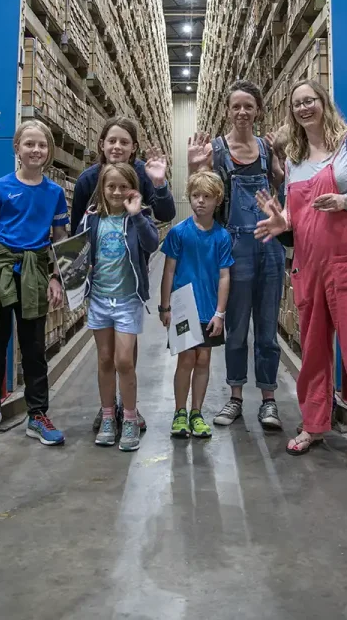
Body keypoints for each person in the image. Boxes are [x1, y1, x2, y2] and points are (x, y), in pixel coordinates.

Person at [255, 79, 347, 471]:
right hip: (308, 263)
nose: (304, 109)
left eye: (310, 101)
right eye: (297, 104)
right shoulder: (296, 158)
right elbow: (295, 216)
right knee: (313, 350)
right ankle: (315, 424)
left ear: (323, 103)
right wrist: (279, 221)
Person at [187, 80, 286, 430]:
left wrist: (280, 169)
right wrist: (194, 168)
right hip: (234, 249)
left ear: (258, 110)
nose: (242, 112)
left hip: (269, 247)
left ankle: (269, 400)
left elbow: (285, 195)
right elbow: (201, 199)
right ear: (228, 111)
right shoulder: (216, 150)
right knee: (236, 327)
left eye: (248, 106)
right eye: (236, 106)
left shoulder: (267, 147)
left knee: (267, 329)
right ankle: (235, 398)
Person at [70, 116, 175, 434]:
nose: (116, 146)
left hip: (130, 280)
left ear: (133, 148)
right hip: (102, 284)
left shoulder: (142, 174)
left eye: (124, 142)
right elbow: (77, 237)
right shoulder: (89, 180)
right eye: (111, 140)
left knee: (126, 355)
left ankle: (130, 408)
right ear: (101, 144)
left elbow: (165, 215)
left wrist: (159, 184)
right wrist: (73, 283)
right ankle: (108, 408)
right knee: (105, 356)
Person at [0, 120, 68, 446]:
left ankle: (37, 415)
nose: (36, 150)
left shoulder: (54, 193)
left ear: (49, 151)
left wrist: (57, 276)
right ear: (17, 148)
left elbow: (61, 238)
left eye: (42, 145)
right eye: (29, 144)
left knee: (35, 348)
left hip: (35, 270)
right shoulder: (0, 186)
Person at [76, 162, 158, 452]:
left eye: (123, 186)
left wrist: (136, 215)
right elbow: (77, 253)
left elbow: (152, 244)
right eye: (111, 186)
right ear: (102, 188)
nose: (116, 191)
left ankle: (131, 417)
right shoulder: (91, 219)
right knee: (104, 360)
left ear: (132, 190)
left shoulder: (139, 218)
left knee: (125, 360)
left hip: (127, 301)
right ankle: (108, 415)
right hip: (99, 299)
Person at [159, 171, 233, 439]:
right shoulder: (179, 233)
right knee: (186, 359)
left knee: (204, 360)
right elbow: (168, 271)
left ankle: (197, 413)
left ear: (217, 200)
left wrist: (220, 313)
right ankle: (180, 412)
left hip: (209, 307)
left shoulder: (222, 237)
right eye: (195, 195)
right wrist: (165, 306)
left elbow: (225, 276)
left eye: (207, 196)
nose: (200, 201)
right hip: (182, 305)